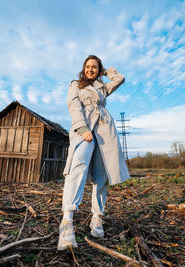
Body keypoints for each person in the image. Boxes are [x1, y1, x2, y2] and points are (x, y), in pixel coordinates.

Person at [58, 55, 130, 250]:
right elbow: (73, 105)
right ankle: (67, 221)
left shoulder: (103, 87)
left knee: (102, 174)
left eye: (95, 67)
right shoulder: (76, 85)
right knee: (77, 166)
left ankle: (97, 218)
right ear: (83, 68)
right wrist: (82, 128)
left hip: (105, 130)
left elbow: (120, 78)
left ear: (99, 70)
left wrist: (106, 70)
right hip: (85, 127)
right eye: (88, 66)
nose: (91, 69)